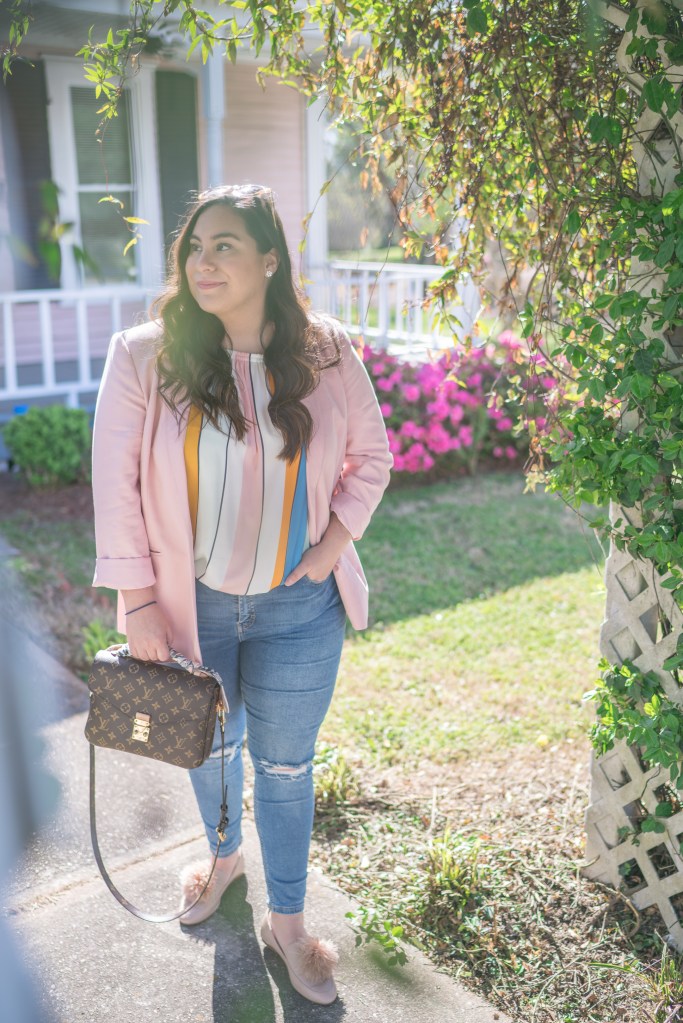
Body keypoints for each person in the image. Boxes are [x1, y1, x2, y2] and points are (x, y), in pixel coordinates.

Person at [91, 183, 392, 1005]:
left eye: (224, 244)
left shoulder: (325, 352)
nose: (204, 261)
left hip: (300, 611)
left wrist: (329, 546)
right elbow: (115, 487)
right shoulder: (144, 355)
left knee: (287, 767)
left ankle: (288, 923)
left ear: (268, 259)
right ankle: (224, 859)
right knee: (211, 749)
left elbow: (371, 456)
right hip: (192, 607)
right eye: (194, 246)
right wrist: (138, 600)